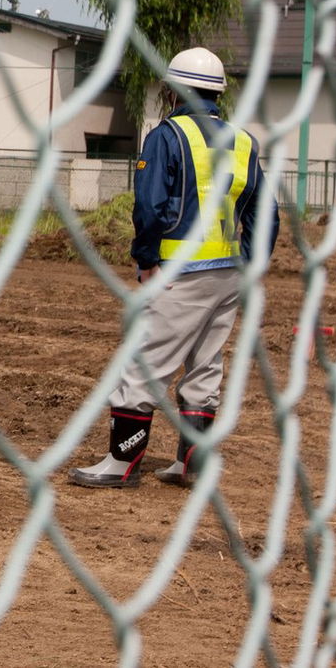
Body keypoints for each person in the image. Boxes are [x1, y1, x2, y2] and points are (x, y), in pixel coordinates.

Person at [70, 47, 277, 489]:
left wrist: (147, 260)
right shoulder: (243, 140)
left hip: (179, 269)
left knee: (144, 365)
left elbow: (149, 206)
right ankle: (192, 464)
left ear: (175, 90)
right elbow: (265, 211)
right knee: (204, 367)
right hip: (229, 269)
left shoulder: (167, 136)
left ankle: (121, 464)